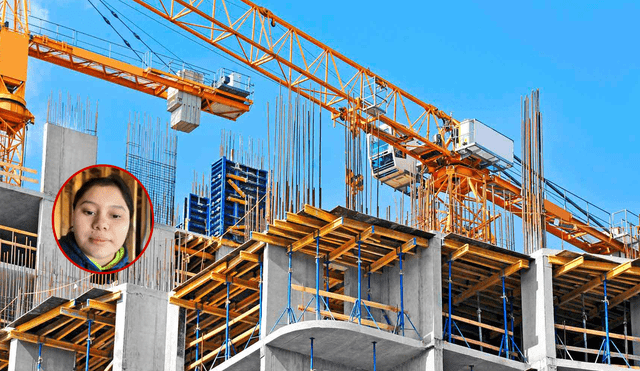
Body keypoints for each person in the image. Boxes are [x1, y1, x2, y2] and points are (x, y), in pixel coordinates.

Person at [58, 175, 133, 272]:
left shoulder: (136, 278)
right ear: (73, 215)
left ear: (129, 222)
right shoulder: (40, 256)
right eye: (89, 212)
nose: (101, 224)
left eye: (115, 215)